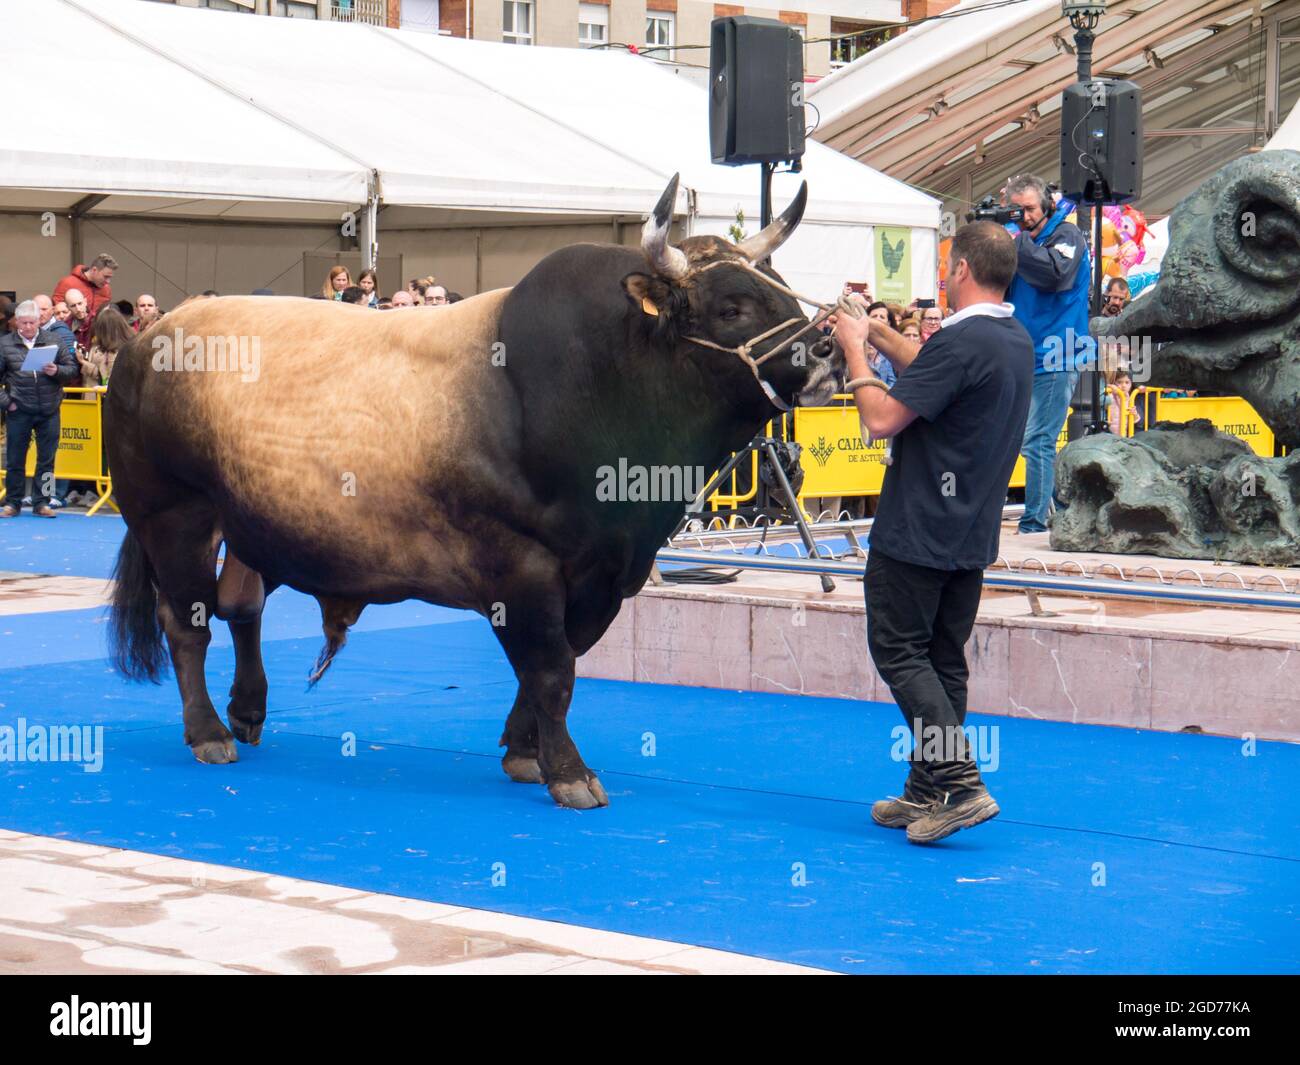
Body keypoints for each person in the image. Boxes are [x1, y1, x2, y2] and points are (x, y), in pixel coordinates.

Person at [830, 222, 1033, 843]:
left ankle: (962, 782)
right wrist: (877, 329)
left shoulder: (961, 342)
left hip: (918, 527)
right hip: (970, 532)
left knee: (899, 652)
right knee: (942, 658)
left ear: (963, 269)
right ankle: (928, 789)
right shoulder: (1013, 339)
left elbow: (882, 418)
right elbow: (935, 371)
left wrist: (855, 350)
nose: (943, 276)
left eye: (948, 266)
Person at [1004, 173, 1091, 534]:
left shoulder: (1067, 236)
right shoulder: (1021, 241)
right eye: (1015, 210)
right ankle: (1047, 510)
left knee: (1038, 440)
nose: (1022, 217)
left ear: (1047, 207)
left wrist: (1017, 240)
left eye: (1028, 209)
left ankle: (1035, 521)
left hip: (1059, 354)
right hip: (1023, 355)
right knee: (1020, 438)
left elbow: (1055, 274)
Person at [1, 300, 80, 518]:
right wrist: (9, 403)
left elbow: (72, 368)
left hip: (49, 409)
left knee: (47, 459)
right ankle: (13, 502)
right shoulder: (4, 344)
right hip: (19, 410)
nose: (27, 327)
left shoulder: (54, 340)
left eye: (32, 322)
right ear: (16, 322)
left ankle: (42, 502)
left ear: (39, 321)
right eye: (23, 323)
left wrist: (57, 371)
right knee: (15, 458)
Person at [78, 305, 133, 386]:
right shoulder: (101, 344)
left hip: (100, 395)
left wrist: (83, 362)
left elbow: (106, 377)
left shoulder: (115, 351)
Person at [52, 253, 118, 320]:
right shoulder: (67, 283)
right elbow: (57, 312)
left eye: (110, 277)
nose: (108, 281)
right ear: (94, 270)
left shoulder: (106, 289)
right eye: (106, 276)